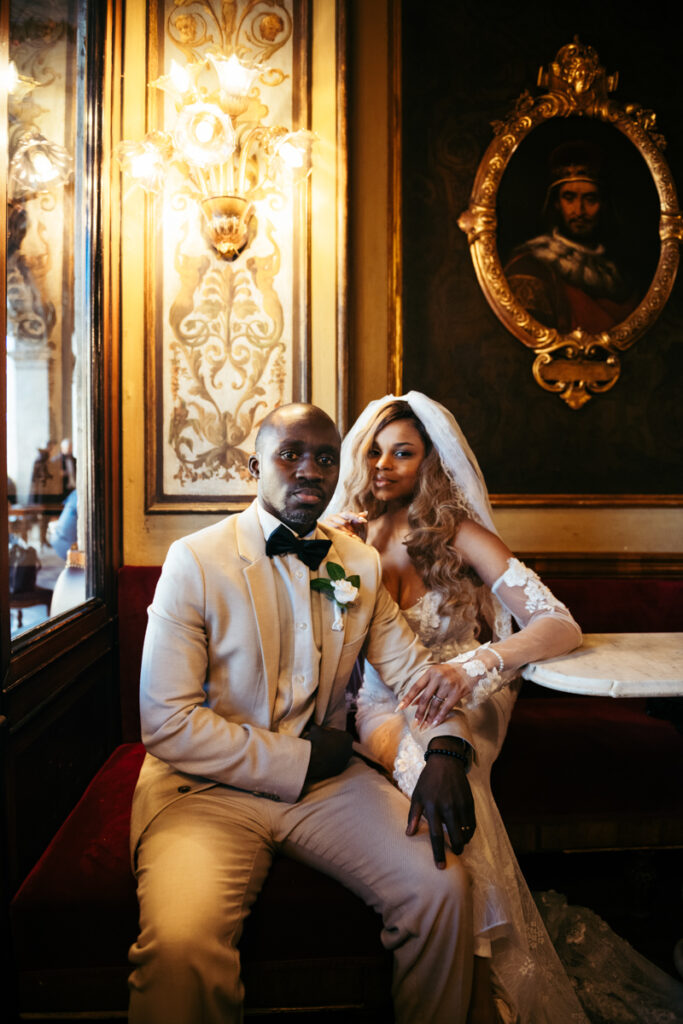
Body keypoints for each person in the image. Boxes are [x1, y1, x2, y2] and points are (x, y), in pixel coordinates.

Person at [129, 402, 491, 1024]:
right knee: (182, 947)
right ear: (254, 466)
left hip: (328, 787)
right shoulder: (194, 561)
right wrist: (298, 756)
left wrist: (448, 750)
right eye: (289, 454)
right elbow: (166, 722)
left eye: (324, 458)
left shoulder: (358, 563)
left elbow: (413, 678)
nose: (308, 470)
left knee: (442, 890)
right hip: (205, 791)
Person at [325, 391, 587, 1024]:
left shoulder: (459, 532)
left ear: (430, 463)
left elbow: (559, 625)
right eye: (375, 451)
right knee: (429, 769)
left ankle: (481, 994)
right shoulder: (343, 534)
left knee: (452, 765)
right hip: (379, 702)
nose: (383, 464)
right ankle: (478, 994)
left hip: (467, 696)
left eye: (403, 453)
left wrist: (474, 665)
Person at [504, 141, 639, 334]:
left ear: (603, 205)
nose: (579, 210)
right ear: (556, 203)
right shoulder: (530, 267)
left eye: (590, 199)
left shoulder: (620, 275)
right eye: (569, 198)